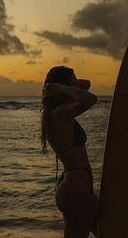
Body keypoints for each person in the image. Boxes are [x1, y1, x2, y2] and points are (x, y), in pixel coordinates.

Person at [41, 66, 98, 238]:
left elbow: (86, 85)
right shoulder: (60, 113)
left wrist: (68, 84)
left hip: (77, 185)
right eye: (72, 81)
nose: (76, 84)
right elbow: (90, 99)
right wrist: (61, 88)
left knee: (109, 229)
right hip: (75, 187)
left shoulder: (56, 112)